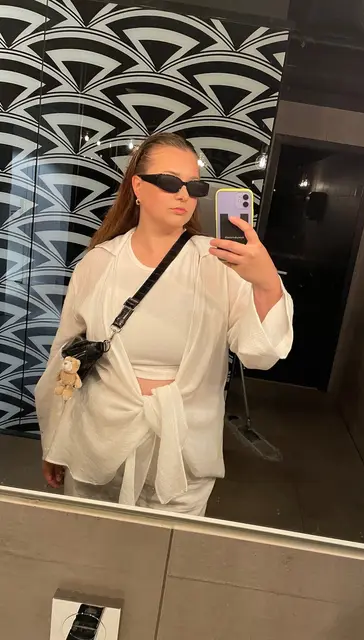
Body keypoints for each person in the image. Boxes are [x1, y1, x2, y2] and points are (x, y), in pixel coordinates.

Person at [35, 132, 294, 517]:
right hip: (97, 444)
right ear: (138, 186)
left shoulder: (218, 263)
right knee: (89, 545)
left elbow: (261, 354)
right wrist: (54, 441)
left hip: (181, 456)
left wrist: (266, 282)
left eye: (195, 186)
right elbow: (65, 358)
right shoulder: (99, 264)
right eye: (170, 182)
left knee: (168, 552)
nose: (184, 194)